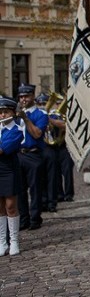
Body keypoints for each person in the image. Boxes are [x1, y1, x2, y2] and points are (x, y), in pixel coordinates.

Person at [16, 84, 48, 231]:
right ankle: (24, 219)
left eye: (26, 96)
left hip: (33, 154)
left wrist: (26, 119)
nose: (23, 99)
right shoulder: (15, 115)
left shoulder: (40, 115)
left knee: (35, 189)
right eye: (21, 96)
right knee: (19, 190)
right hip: (18, 154)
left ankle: (35, 218)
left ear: (33, 96)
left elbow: (37, 134)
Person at [0, 97, 25, 256]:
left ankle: (14, 241)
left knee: (10, 206)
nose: (2, 115)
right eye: (1, 112)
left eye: (6, 112)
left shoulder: (16, 130)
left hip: (9, 170)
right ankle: (2, 242)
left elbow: (3, 150)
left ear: (13, 113)